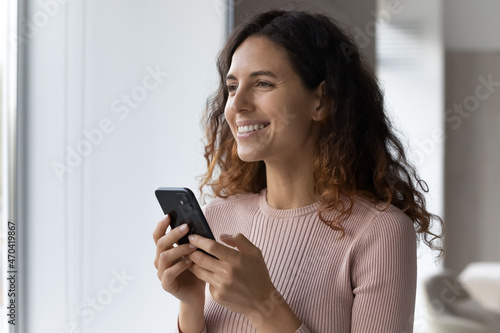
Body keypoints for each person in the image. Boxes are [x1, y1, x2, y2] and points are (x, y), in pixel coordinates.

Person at [153, 9, 443, 333]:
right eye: (232, 87)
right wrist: (191, 304)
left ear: (321, 100)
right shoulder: (219, 218)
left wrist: (264, 306)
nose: (236, 105)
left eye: (262, 83)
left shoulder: (379, 232)